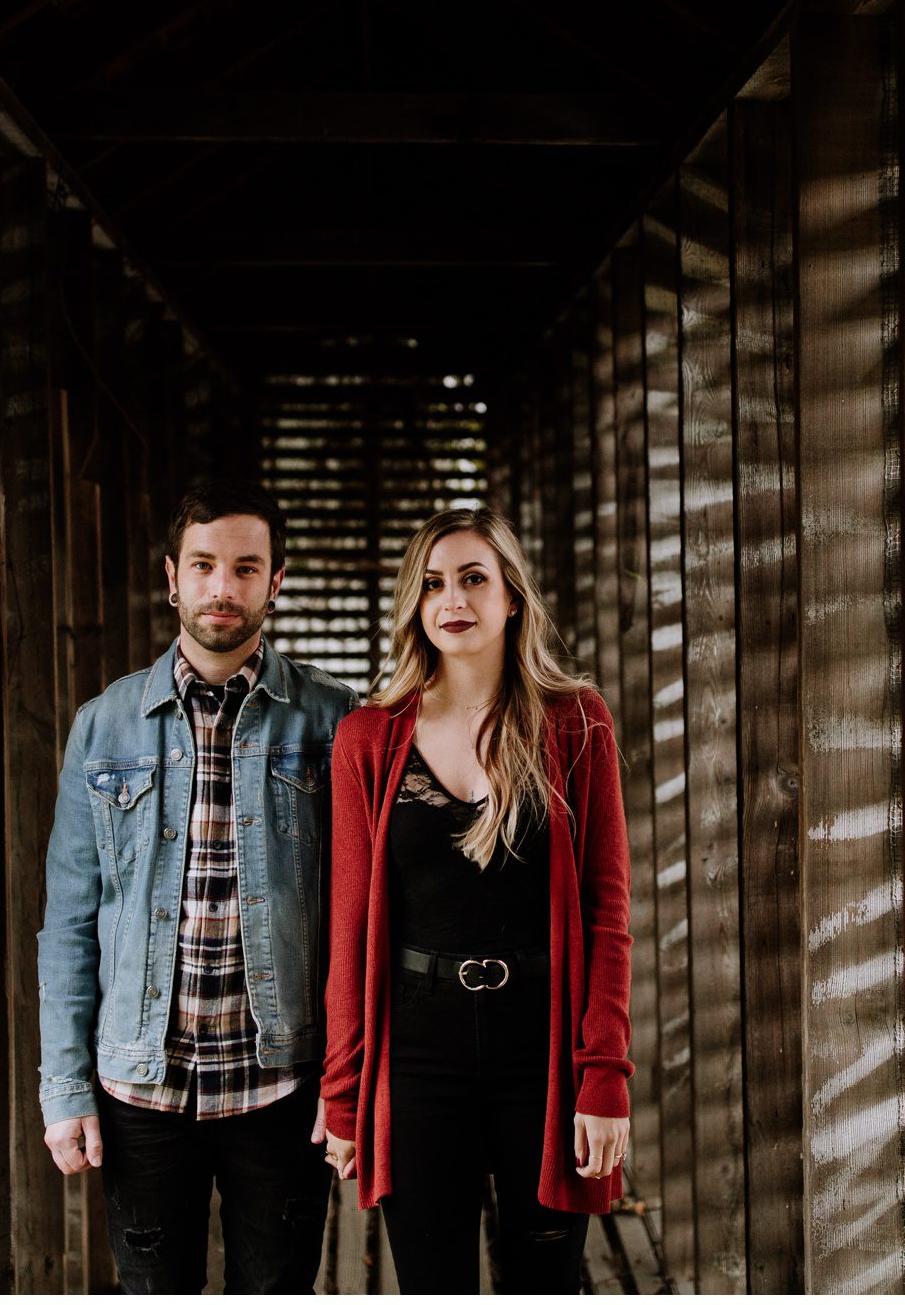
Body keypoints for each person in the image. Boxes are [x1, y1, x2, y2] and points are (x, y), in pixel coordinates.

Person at [37, 479, 358, 1293]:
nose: (224, 588)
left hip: (281, 1084)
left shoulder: (332, 721)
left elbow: (362, 920)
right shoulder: (103, 726)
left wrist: (348, 1081)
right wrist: (64, 1087)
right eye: (205, 565)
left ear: (276, 582)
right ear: (172, 577)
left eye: (246, 568)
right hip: (141, 1088)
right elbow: (70, 922)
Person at [318, 506, 633, 1294]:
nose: (451, 600)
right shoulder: (369, 737)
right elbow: (350, 928)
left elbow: (608, 913)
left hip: (542, 1049)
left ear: (512, 597)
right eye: (431, 585)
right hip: (419, 1053)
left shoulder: (575, 724)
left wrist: (604, 1076)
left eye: (472, 579)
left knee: (547, 1279)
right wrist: (343, 1090)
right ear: (415, 605)